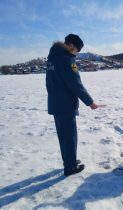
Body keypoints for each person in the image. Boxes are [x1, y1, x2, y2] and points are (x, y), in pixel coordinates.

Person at [46, 34, 98, 176]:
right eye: (76, 50)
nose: (76, 53)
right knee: (69, 136)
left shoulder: (52, 58)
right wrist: (90, 102)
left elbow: (49, 84)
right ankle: (70, 167)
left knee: (63, 136)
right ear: (71, 45)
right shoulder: (66, 60)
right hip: (65, 105)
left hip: (56, 104)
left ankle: (69, 161)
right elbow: (76, 85)